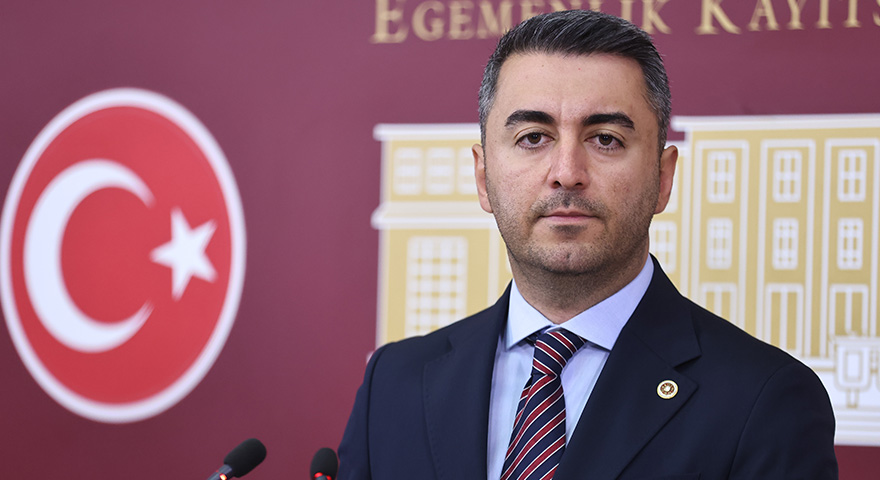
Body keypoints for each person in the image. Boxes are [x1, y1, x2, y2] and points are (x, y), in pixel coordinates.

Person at [338, 9, 838, 480]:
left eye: (605, 139)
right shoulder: (393, 383)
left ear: (663, 179)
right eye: (533, 137)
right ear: (483, 177)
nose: (567, 173)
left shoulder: (766, 400)